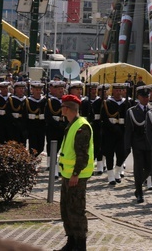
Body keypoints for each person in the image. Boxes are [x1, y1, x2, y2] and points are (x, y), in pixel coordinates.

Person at [56, 93, 94, 251]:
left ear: (67, 109)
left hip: (76, 176)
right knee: (66, 210)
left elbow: (82, 155)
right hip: (67, 174)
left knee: (76, 211)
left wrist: (75, 174)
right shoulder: (72, 124)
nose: (61, 110)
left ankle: (80, 245)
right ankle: (71, 242)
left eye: (62, 107)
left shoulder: (81, 126)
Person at [125, 85, 152, 203]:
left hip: (150, 144)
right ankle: (140, 192)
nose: (146, 98)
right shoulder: (132, 111)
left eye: (148, 96)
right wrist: (127, 145)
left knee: (150, 168)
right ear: (138, 97)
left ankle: (138, 185)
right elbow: (129, 130)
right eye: (143, 96)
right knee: (138, 168)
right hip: (138, 143)